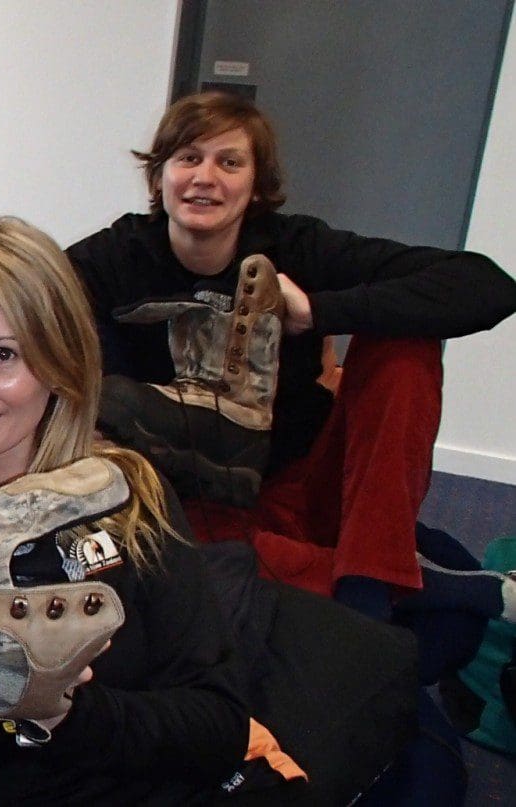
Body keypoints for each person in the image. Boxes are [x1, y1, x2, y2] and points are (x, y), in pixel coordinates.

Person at [0, 217, 288, 804]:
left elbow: (218, 724)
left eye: (2, 354)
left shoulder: (128, 496)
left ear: (58, 363)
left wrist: (59, 712)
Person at [65, 91, 516, 664]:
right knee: (157, 554)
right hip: (194, 501)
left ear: (256, 185)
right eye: (187, 158)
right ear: (159, 177)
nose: (205, 178)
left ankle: (368, 588)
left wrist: (317, 312)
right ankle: (410, 585)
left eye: (229, 163)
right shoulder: (114, 257)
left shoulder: (296, 245)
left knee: (405, 343)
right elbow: (19, 304)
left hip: (301, 482)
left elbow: (486, 284)